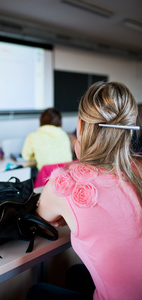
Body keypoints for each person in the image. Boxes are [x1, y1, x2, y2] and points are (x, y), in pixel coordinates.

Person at [27, 82, 142, 300]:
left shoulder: (66, 181)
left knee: (37, 292)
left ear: (80, 127)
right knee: (75, 274)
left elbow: (40, 222)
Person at [22, 107, 72, 176]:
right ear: (59, 121)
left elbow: (26, 157)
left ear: (41, 120)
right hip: (65, 178)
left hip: (45, 180)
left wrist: (37, 155)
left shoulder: (33, 136)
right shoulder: (64, 135)